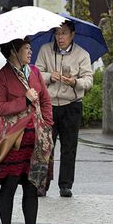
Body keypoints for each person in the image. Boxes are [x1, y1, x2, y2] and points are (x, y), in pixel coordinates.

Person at [0, 38, 53, 224]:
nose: (30, 51)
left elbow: (45, 99)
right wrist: (24, 100)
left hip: (35, 138)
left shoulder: (33, 72)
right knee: (9, 183)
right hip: (13, 139)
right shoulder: (1, 77)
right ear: (13, 52)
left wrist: (47, 124)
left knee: (31, 185)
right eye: (26, 48)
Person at [35, 21, 94, 198]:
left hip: (72, 105)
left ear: (72, 35)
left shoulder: (82, 54)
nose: (60, 37)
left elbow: (89, 80)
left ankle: (66, 185)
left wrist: (75, 82)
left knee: (69, 147)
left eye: (64, 33)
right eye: (57, 33)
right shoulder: (45, 50)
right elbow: (36, 73)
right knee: (46, 146)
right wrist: (49, 77)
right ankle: (42, 184)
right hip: (49, 104)